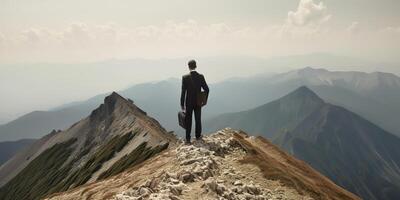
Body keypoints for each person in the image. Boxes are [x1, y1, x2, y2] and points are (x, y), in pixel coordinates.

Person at [180, 60, 209, 144]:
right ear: (196, 66)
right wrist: (204, 100)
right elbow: (207, 89)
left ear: (188, 66)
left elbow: (183, 92)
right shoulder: (201, 76)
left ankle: (188, 139)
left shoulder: (185, 77)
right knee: (198, 119)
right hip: (198, 102)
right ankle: (198, 136)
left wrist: (182, 104)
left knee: (188, 120)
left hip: (188, 102)